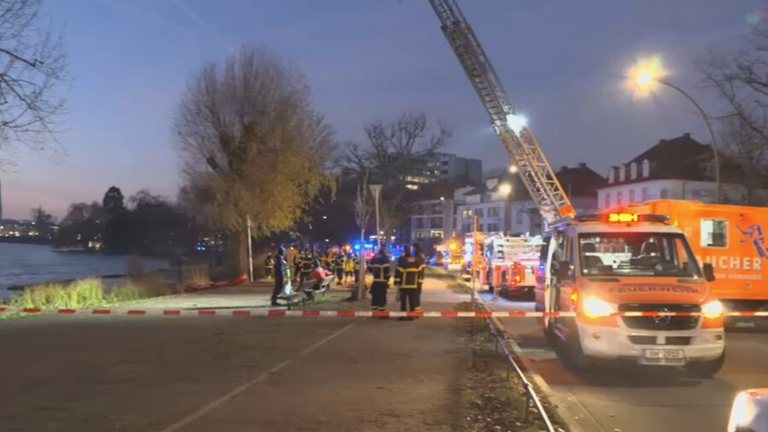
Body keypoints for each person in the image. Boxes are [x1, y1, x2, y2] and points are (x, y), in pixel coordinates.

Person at [394, 245, 421, 320]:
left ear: (404, 251)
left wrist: (396, 281)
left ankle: (403, 315)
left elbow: (398, 272)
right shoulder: (415, 260)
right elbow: (419, 271)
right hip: (413, 284)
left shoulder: (403, 260)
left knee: (403, 301)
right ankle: (411, 315)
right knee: (412, 300)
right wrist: (419, 282)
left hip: (404, 284)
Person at [368, 247, 391, 315]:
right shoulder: (385, 258)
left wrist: (373, 272)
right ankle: (381, 312)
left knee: (375, 296)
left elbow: (369, 266)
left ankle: (374, 311)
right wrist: (387, 279)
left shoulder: (375, 257)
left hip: (375, 280)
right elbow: (387, 270)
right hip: (382, 280)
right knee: (382, 296)